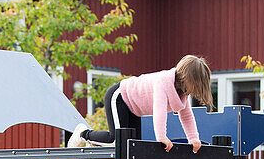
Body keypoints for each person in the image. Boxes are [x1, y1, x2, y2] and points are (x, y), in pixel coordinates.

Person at [68, 55, 213, 153]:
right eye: (196, 85)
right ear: (187, 78)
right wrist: (161, 136)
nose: (194, 91)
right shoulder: (163, 82)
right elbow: (159, 111)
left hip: (134, 109)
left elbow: (187, 116)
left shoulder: (182, 92)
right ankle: (82, 133)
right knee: (116, 141)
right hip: (120, 96)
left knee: (132, 148)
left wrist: (194, 139)